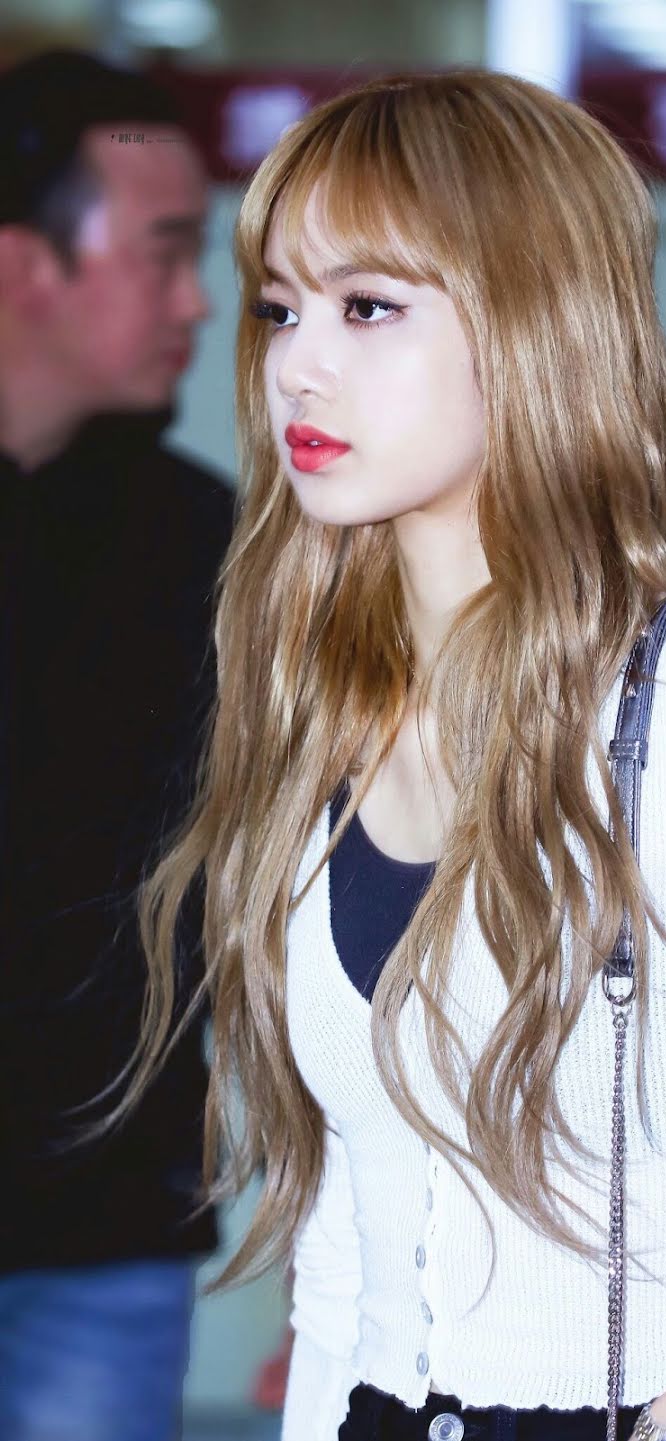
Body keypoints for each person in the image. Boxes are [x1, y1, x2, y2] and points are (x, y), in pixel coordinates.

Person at [113, 68, 666, 1441]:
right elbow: (342, 1253)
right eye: (279, 307)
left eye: (368, 307)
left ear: (531, 320)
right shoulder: (325, 691)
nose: (297, 365)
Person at [0, 49, 234, 1441]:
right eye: (167, 253)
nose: (200, 302)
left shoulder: (213, 549)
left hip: (110, 1240)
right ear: (26, 262)